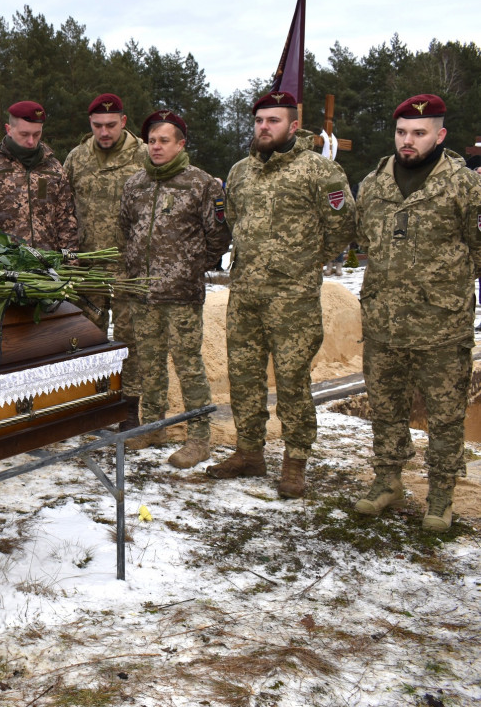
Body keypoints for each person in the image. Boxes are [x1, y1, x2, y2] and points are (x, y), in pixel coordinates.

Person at [209, 91, 354, 497]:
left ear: (293, 126)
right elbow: (234, 221)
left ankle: (295, 461)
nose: (264, 128)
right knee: (244, 377)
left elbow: (342, 227)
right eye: (259, 121)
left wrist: (304, 263)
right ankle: (249, 452)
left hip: (293, 299)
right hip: (246, 295)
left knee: (292, 381)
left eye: (273, 121)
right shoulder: (240, 172)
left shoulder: (319, 172)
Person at [353, 95, 481, 531]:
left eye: (419, 133)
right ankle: (387, 481)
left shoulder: (464, 185)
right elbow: (365, 239)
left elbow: (478, 249)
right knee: (386, 408)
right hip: (384, 322)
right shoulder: (374, 183)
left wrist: (444, 287)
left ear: (440, 136)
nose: (408, 141)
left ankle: (441, 496)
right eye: (402, 132)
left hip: (441, 326)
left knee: (445, 416)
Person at [119, 110, 231, 464]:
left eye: (164, 141)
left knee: (188, 365)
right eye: (151, 141)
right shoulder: (135, 183)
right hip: (142, 292)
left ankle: (199, 437)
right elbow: (126, 229)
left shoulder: (201, 184)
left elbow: (218, 236)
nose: (155, 147)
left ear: (181, 144)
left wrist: (191, 267)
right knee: (149, 364)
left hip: (181, 295)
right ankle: (152, 427)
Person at [64, 93, 148, 429]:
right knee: (88, 335)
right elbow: (63, 206)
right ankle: (93, 401)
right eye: (97, 125)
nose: (104, 132)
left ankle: (130, 404)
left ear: (124, 122)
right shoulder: (77, 158)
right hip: (89, 268)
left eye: (111, 125)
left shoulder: (144, 155)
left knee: (131, 336)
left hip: (130, 266)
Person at [0, 101, 77, 251]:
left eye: (37, 134)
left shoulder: (54, 169)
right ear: (9, 129)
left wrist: (70, 265)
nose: (31, 141)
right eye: (24, 134)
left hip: (48, 266)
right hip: (4, 265)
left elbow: (66, 223)